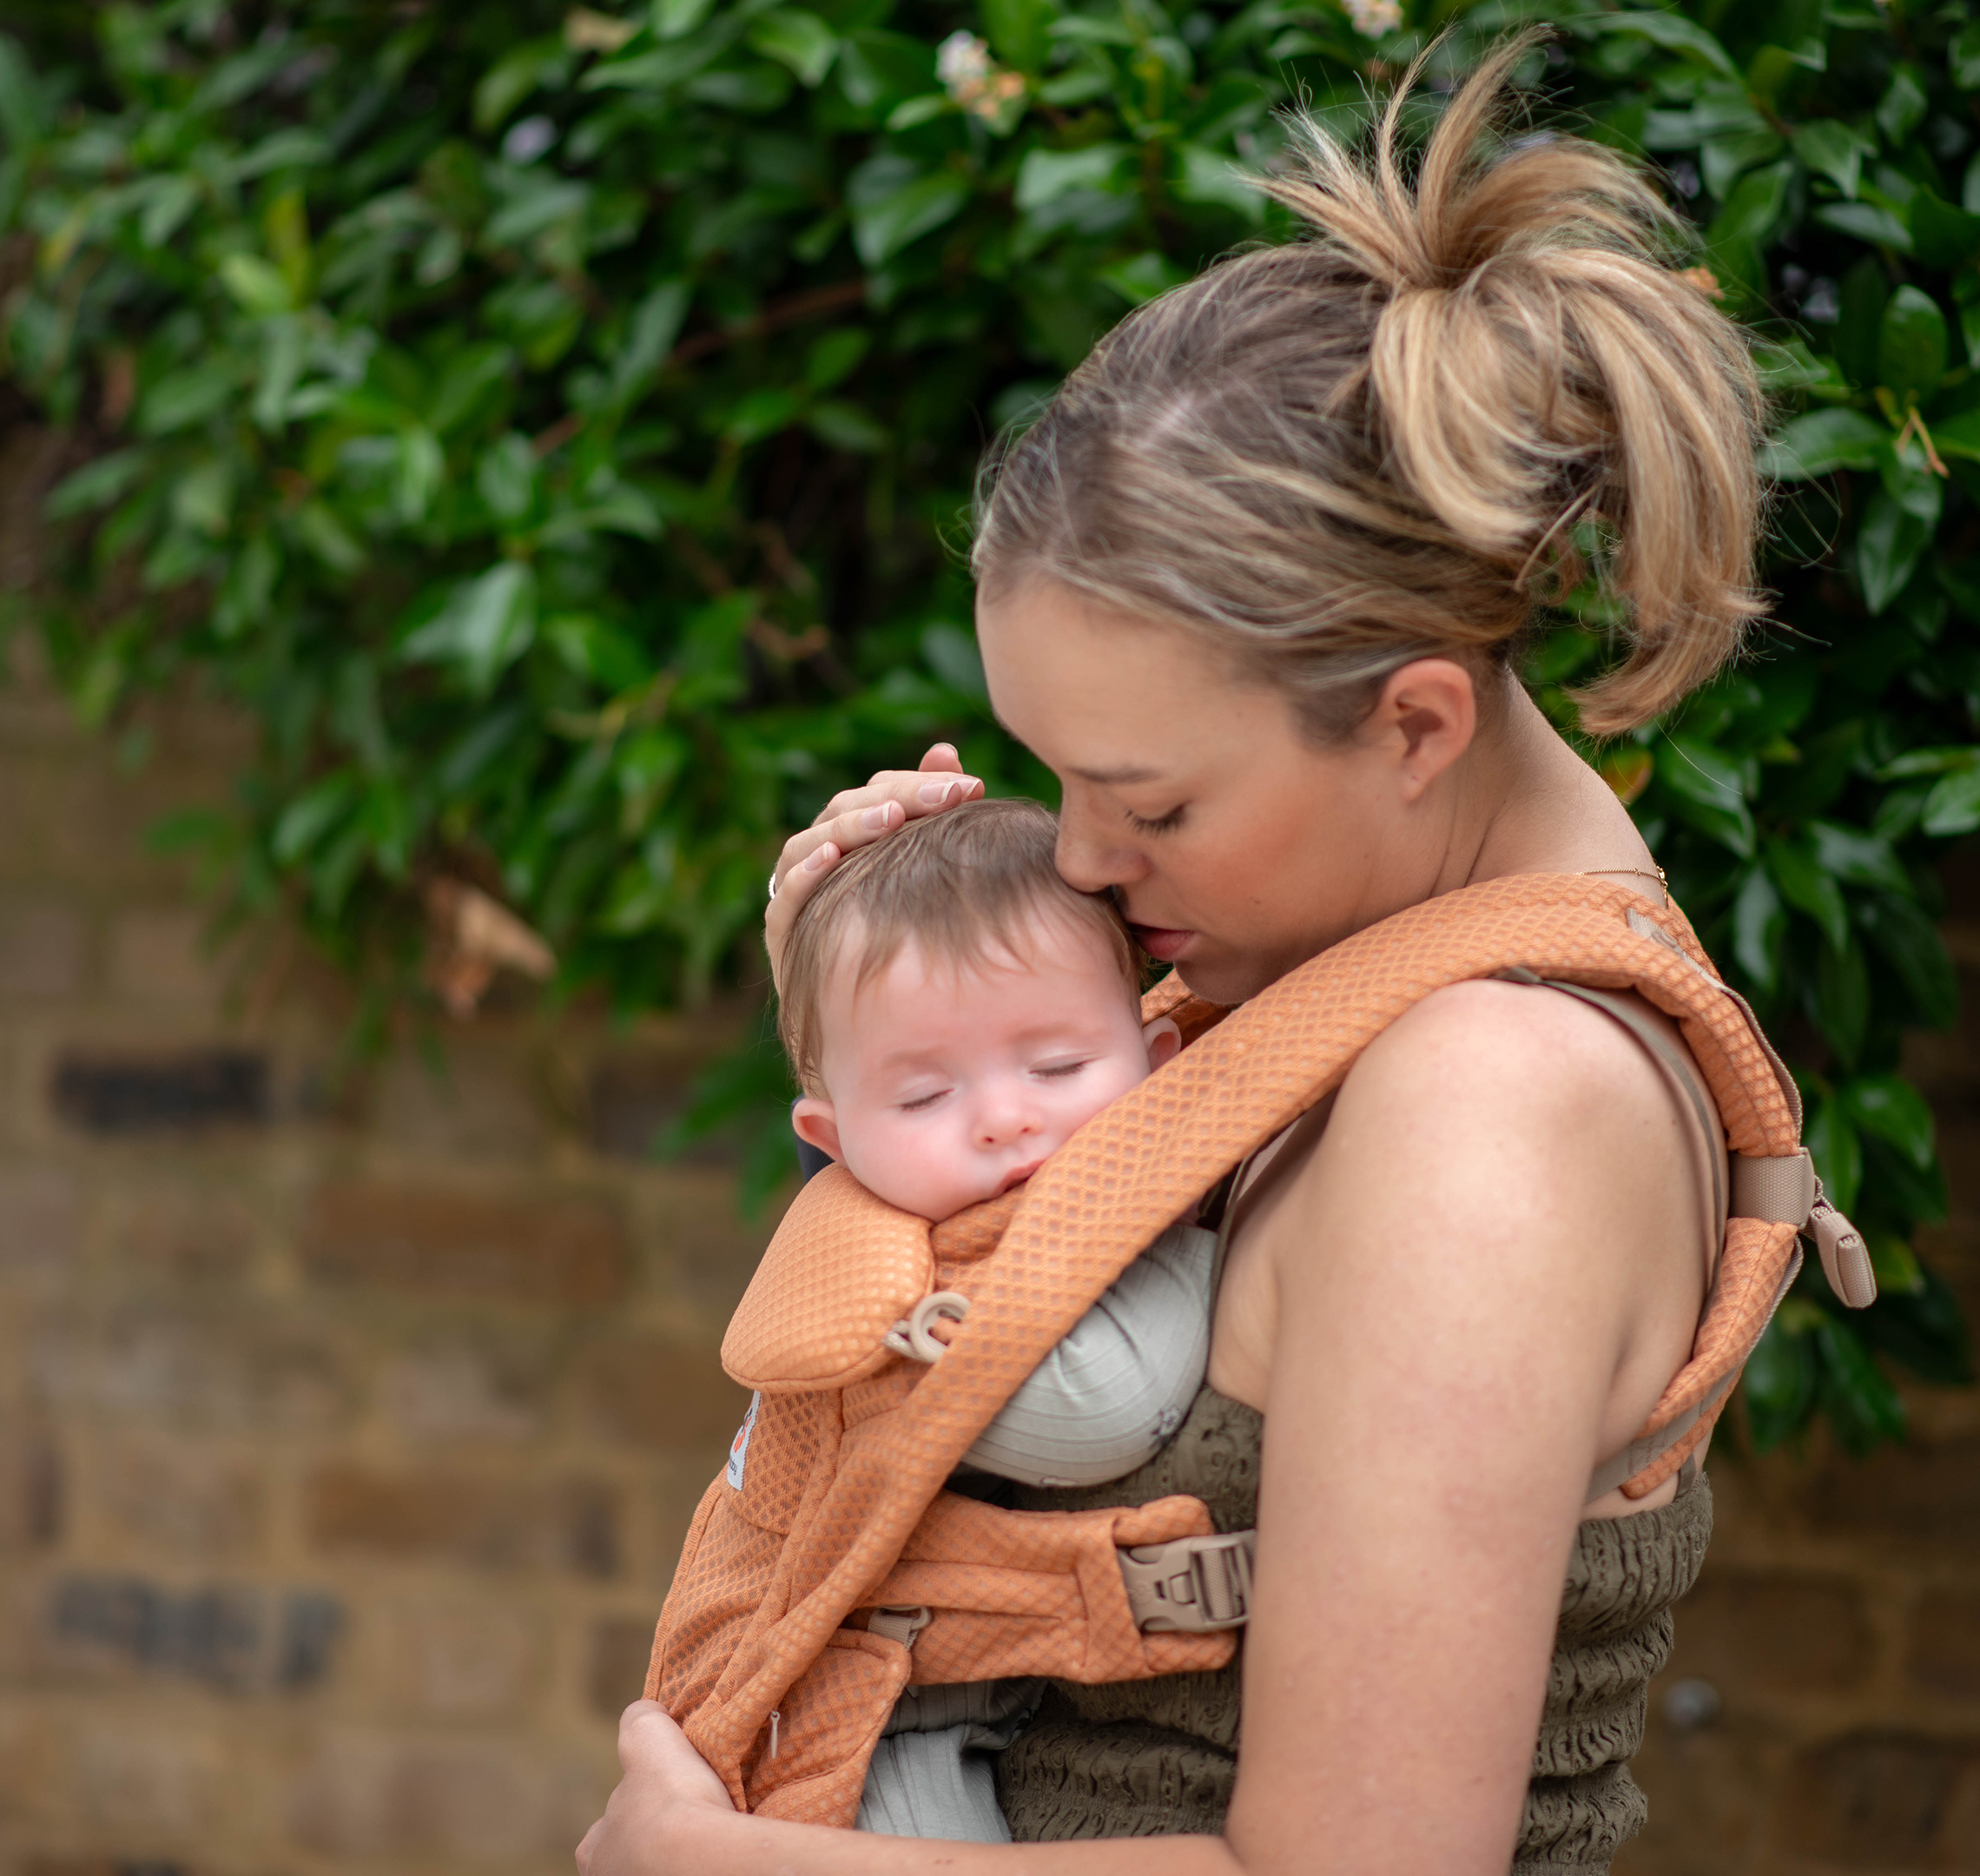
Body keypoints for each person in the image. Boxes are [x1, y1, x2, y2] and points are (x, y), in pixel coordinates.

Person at [580, 33, 1767, 1874]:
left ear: (1417, 726)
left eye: (1148, 799)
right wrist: (867, 995)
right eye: (1051, 774)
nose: (1075, 853)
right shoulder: (1339, 982)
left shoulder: (1493, 1109)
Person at [773, 796, 1217, 1840]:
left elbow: (1105, 1404)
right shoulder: (863, 1247)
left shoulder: (1141, 1195)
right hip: (877, 1702)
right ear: (832, 1143)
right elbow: (1104, 1411)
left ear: (1159, 1065)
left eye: (1059, 1068)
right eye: (923, 1097)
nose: (1004, 1117)